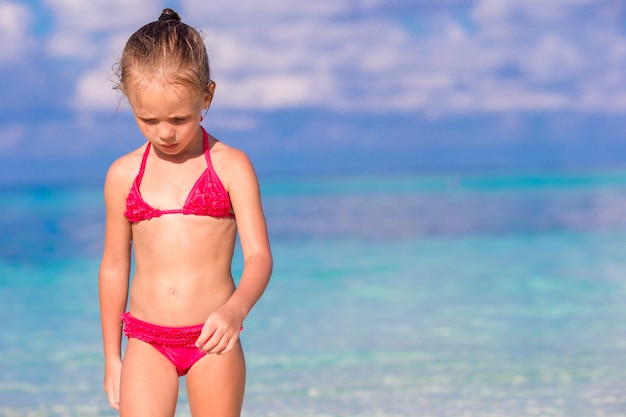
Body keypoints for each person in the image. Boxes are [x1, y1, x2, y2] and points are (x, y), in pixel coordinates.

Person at [98, 8, 272, 417]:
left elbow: (260, 257)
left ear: (207, 96)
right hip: (145, 339)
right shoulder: (123, 175)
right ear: (129, 101)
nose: (165, 132)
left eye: (179, 118)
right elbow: (113, 268)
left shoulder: (231, 166)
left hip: (213, 338)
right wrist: (111, 356)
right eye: (148, 119)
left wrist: (235, 310)